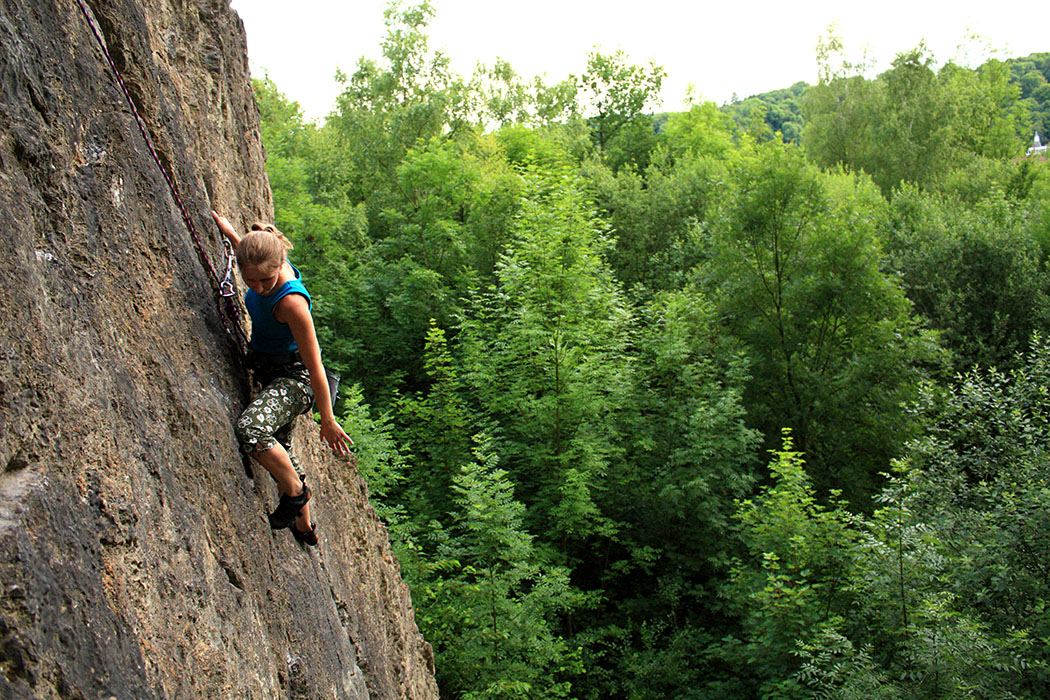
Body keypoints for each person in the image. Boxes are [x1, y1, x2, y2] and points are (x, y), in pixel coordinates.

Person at [211, 210, 353, 546]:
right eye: (250, 281)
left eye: (266, 280)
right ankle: (305, 528)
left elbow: (314, 364)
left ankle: (295, 493)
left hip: (296, 379)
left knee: (252, 430)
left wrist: (327, 419)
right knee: (282, 449)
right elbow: (247, 248)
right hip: (272, 373)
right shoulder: (261, 257)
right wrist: (227, 230)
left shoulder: (290, 302)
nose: (259, 288)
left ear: (280, 266)